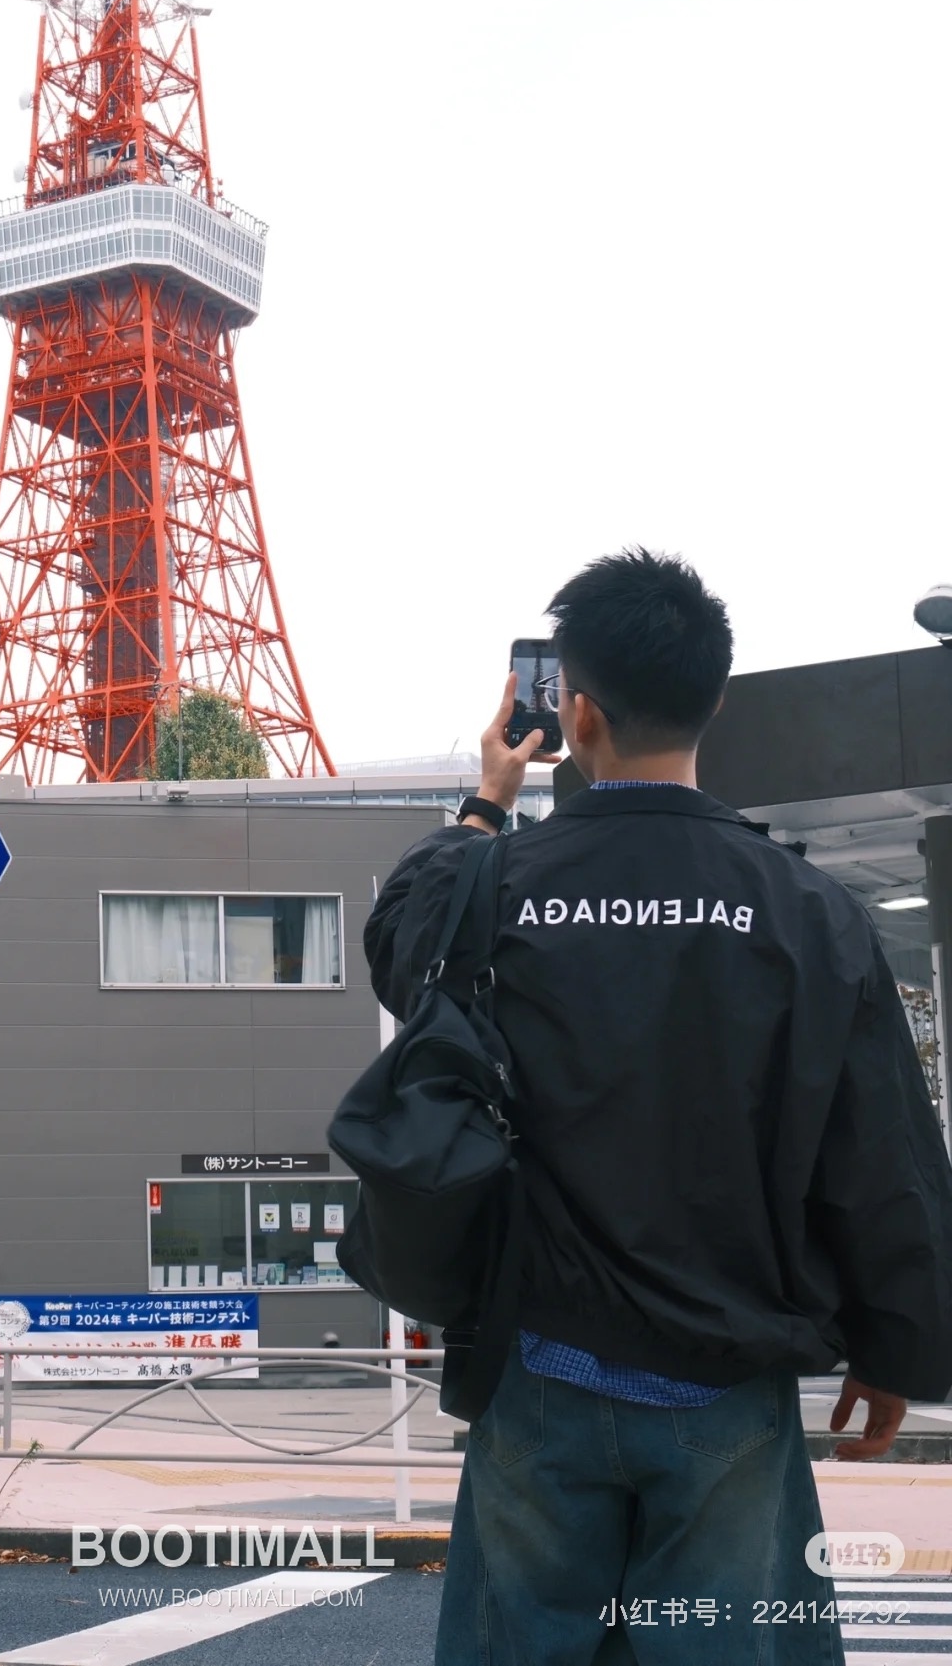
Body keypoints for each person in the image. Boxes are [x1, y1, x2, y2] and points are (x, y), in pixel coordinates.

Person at [363, 550, 952, 1665]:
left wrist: (488, 798)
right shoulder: (807, 911)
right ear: (714, 699)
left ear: (573, 713)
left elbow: (400, 949)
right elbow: (882, 1149)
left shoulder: (501, 886)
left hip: (538, 1362)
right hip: (729, 1374)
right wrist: (896, 1344)